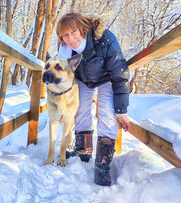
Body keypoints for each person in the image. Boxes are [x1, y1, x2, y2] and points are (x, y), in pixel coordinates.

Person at [56, 12, 131, 186]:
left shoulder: (105, 40)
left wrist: (121, 111)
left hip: (107, 78)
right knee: (80, 109)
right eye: (65, 35)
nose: (70, 38)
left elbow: (120, 74)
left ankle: (103, 164)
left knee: (106, 111)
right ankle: (83, 150)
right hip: (83, 79)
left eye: (73, 31)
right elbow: (61, 76)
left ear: (82, 28)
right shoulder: (65, 50)